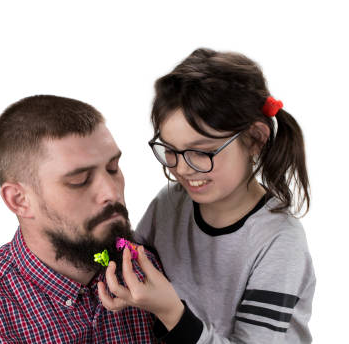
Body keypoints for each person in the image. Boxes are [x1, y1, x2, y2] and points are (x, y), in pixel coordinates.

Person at [98, 48, 315, 343]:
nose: (184, 169)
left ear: (255, 139)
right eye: (171, 151)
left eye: (202, 152)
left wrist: (171, 313)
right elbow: (135, 257)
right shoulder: (171, 202)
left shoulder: (278, 241)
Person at [0, 95, 163, 343]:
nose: (111, 192)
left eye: (112, 168)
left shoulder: (152, 273)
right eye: (79, 181)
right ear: (19, 200)